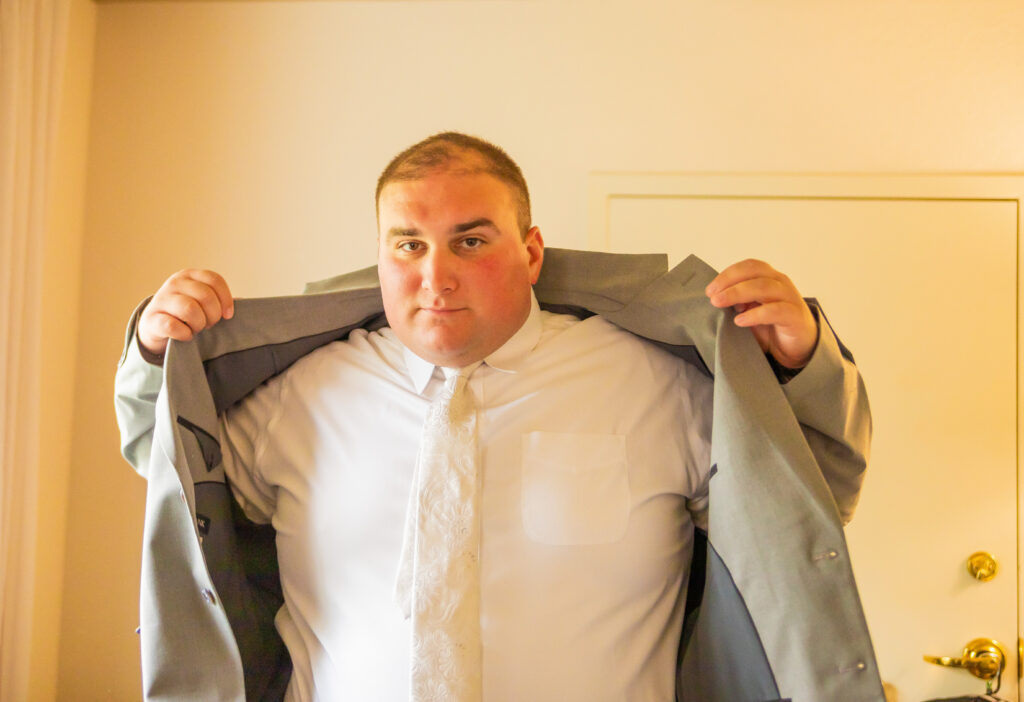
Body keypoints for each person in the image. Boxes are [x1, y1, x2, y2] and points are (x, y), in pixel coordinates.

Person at [115, 132, 879, 701]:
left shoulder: (661, 386)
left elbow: (806, 506)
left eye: (470, 241)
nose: (434, 276)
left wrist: (801, 365)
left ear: (531, 250)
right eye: (407, 244)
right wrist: (156, 358)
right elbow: (170, 478)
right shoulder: (295, 400)